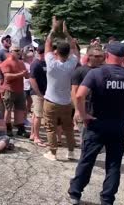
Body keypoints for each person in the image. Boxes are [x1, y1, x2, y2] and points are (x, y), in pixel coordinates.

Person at [68, 42, 124, 205]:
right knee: (114, 164)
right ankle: (107, 199)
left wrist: (83, 114)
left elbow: (80, 96)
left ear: (107, 55)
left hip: (96, 124)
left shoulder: (96, 73)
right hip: (118, 126)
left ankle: (75, 193)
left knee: (87, 160)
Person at [43, 18, 79, 161]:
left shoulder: (51, 63)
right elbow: (75, 49)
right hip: (66, 102)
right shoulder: (71, 63)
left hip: (51, 101)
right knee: (68, 128)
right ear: (68, 52)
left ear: (56, 51)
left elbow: (47, 44)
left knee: (51, 128)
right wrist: (67, 34)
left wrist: (53, 29)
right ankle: (70, 152)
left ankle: (52, 153)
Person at [71, 45, 105, 144]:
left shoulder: (104, 70)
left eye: (101, 56)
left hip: (100, 109)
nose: (99, 59)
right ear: (89, 56)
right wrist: (77, 110)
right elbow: (74, 91)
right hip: (85, 107)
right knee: (86, 138)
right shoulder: (80, 71)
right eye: (96, 56)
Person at [0, 44, 29, 137]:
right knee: (8, 110)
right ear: (11, 52)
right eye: (16, 50)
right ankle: (8, 128)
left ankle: (21, 128)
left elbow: (26, 74)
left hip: (20, 89)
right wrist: (21, 74)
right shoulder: (6, 63)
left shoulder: (21, 62)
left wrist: (25, 74)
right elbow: (7, 77)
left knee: (20, 109)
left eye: (19, 50)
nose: (19, 52)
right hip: (9, 89)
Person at [29, 46, 47, 146]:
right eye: (40, 53)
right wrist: (39, 93)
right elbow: (32, 79)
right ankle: (37, 137)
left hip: (44, 92)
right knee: (39, 116)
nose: (41, 55)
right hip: (37, 93)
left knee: (36, 114)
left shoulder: (45, 63)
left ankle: (32, 134)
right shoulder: (36, 64)